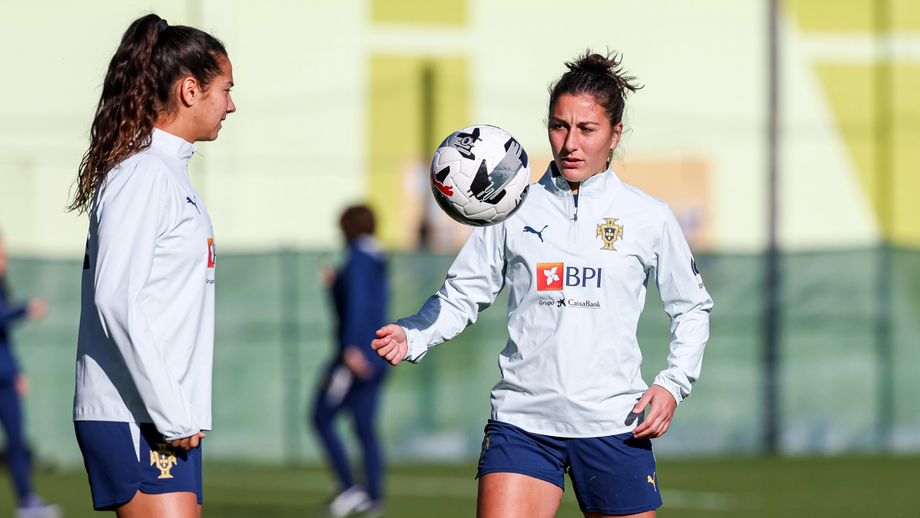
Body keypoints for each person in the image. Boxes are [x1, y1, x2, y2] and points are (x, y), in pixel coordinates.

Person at [371, 51, 713, 518]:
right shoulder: (510, 206)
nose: (570, 143)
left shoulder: (648, 216)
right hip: (523, 423)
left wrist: (673, 384)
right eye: (559, 126)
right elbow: (463, 294)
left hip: (615, 423)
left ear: (615, 135)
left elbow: (691, 308)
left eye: (586, 129)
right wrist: (415, 332)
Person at [68, 13, 235, 518]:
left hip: (158, 413)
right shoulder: (143, 175)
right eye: (225, 89)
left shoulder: (168, 173)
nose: (231, 104)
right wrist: (170, 410)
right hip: (135, 413)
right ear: (190, 90)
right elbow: (116, 298)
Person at [313, 205, 390, 518]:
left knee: (320, 416)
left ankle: (349, 489)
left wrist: (351, 350)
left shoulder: (358, 258)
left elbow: (357, 307)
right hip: (378, 353)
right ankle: (372, 495)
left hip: (354, 356)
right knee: (364, 427)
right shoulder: (377, 256)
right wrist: (336, 286)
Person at [0, 237, 61, 518]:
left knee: (17, 442)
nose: (4, 259)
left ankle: (27, 502)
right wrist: (25, 309)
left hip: (6, 378)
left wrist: (16, 371)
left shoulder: (3, 283)